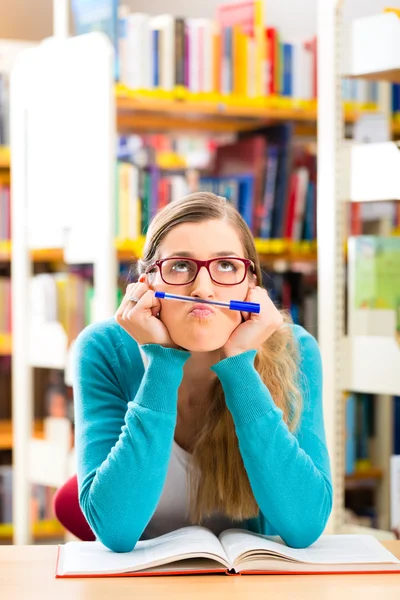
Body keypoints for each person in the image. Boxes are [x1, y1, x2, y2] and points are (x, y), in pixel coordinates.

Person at [54, 192, 332, 552]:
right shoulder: (103, 349)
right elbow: (116, 530)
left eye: (226, 266)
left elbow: (305, 525)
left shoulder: (297, 350)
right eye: (180, 266)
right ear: (146, 283)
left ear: (252, 285)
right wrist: (163, 362)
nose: (203, 289)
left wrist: (239, 367)